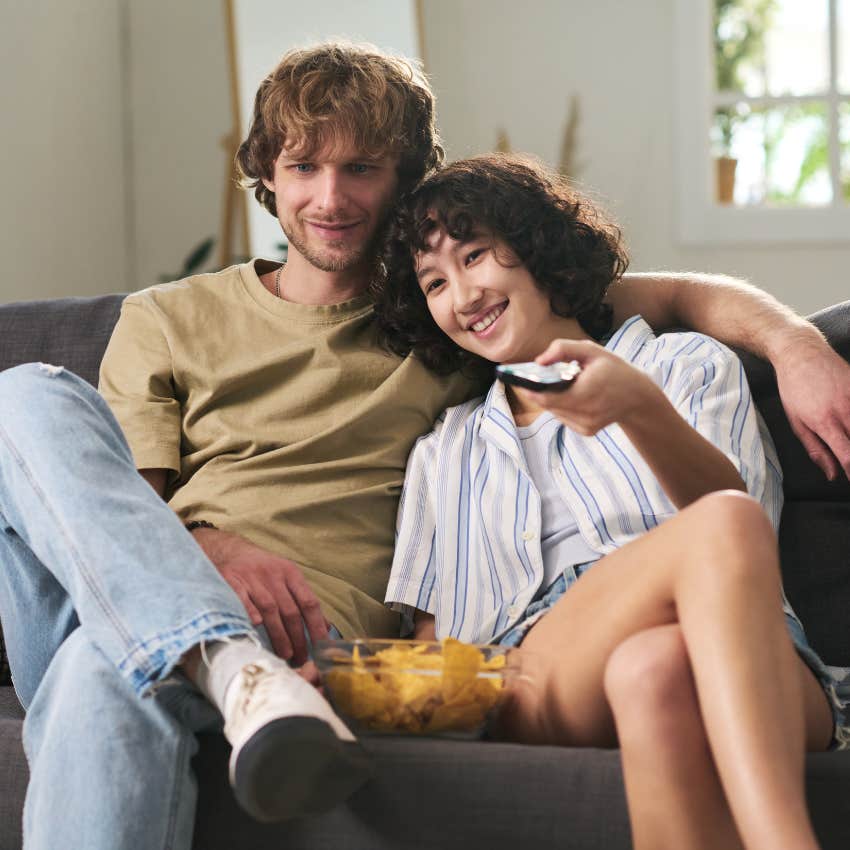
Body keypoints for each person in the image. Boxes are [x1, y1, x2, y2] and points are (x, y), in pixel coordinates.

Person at [0, 41, 848, 850]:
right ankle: (220, 661)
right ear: (265, 173)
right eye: (302, 165)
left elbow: (593, 293)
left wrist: (796, 345)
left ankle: (229, 669)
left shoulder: (434, 340)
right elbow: (114, 519)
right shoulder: (168, 320)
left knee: (99, 673)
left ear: (406, 180)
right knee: (22, 395)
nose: (329, 197)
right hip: (149, 602)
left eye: (361, 167)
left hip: (297, 645)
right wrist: (200, 548)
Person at [372, 152, 850, 850]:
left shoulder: (684, 365)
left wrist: (637, 404)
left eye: (475, 256)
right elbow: (432, 646)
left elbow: (743, 536)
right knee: (718, 525)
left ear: (536, 248)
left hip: (754, 657)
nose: (463, 296)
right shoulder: (446, 448)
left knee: (653, 670)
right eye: (435, 282)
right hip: (536, 673)